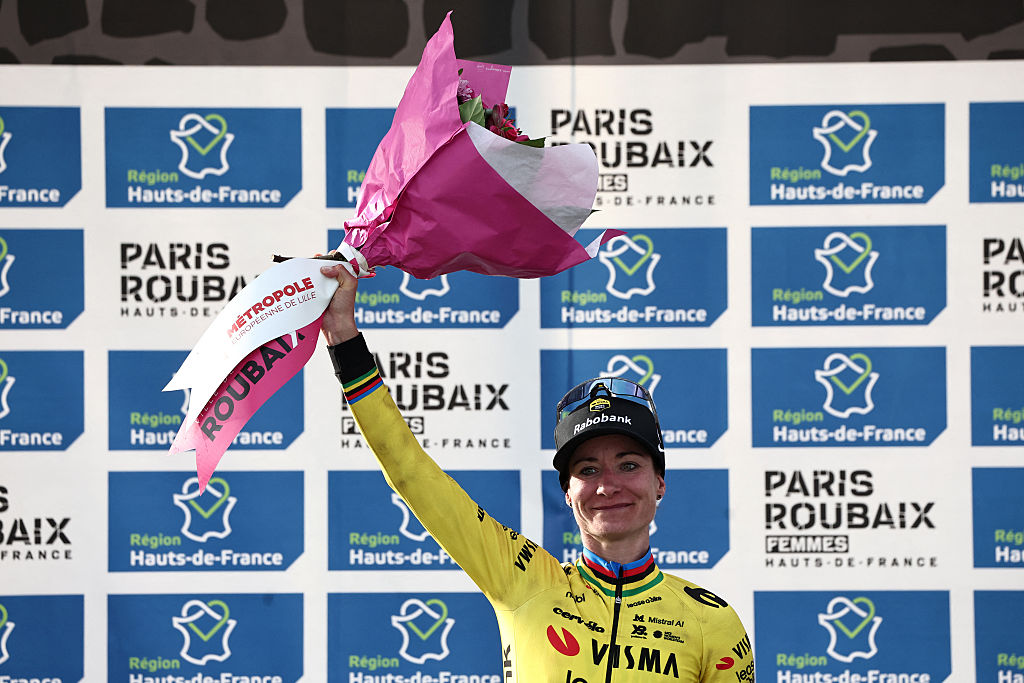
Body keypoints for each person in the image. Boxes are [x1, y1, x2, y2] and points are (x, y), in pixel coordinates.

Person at [320, 261, 753, 682]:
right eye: (587, 469)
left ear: (660, 482)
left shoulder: (710, 620)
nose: (608, 484)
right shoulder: (522, 578)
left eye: (628, 464)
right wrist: (343, 335)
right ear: (568, 492)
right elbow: (410, 471)